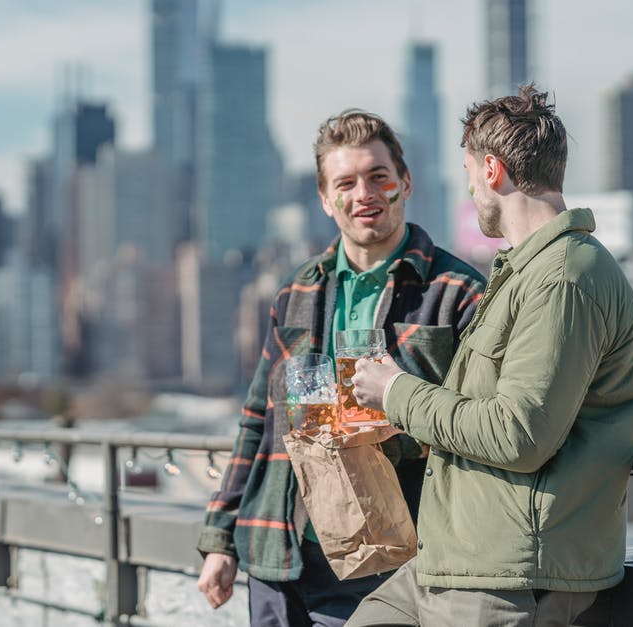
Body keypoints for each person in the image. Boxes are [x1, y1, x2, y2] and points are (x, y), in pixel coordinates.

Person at [346, 84, 633, 626]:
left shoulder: (564, 279)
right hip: (448, 563)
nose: (469, 189)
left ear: (492, 169)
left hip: (507, 581)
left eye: (468, 173)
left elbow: (518, 434)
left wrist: (396, 391)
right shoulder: (526, 274)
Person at [196, 110, 487, 626]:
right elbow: (257, 420)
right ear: (326, 200)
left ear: (406, 183)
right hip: (281, 551)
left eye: (379, 177)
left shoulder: (459, 293)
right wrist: (220, 538)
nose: (364, 194)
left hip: (392, 556)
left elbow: (475, 425)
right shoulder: (295, 291)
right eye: (345, 183)